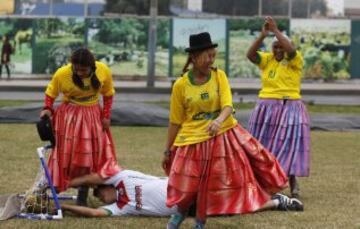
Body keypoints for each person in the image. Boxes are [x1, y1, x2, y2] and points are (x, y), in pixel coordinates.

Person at [161, 32, 297, 229]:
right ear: (194, 57)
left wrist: (218, 121)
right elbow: (175, 121)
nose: (211, 60)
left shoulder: (219, 76)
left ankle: (200, 222)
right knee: (187, 184)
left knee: (212, 184)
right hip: (190, 140)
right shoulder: (180, 85)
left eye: (213, 56)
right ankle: (180, 214)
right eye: (208, 56)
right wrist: (167, 150)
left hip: (221, 137)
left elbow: (227, 105)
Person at [39, 47, 120, 206]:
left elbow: (108, 94)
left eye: (84, 70)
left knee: (89, 158)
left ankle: (82, 195)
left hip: (93, 117)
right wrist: (47, 109)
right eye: (77, 69)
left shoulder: (102, 70)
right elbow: (51, 93)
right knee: (66, 156)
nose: (80, 73)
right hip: (70, 119)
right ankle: (47, 189)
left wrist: (106, 116)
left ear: (92, 66)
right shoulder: (62, 73)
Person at [61, 169, 303, 218]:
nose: (99, 197)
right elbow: (94, 214)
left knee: (230, 189)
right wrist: (65, 208)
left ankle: (270, 193)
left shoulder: (122, 177)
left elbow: (95, 177)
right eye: (98, 197)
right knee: (230, 209)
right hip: (183, 209)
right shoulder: (120, 208)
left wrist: (68, 182)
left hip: (185, 186)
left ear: (108, 187)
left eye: (99, 193)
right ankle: (276, 203)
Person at [246, 16, 310, 198]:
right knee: (263, 147)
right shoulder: (267, 60)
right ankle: (262, 183)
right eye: (275, 46)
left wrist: (275, 31)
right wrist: (262, 36)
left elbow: (290, 50)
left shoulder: (295, 60)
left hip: (290, 108)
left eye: (281, 45)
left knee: (288, 146)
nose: (279, 49)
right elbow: (250, 55)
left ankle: (292, 182)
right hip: (266, 110)